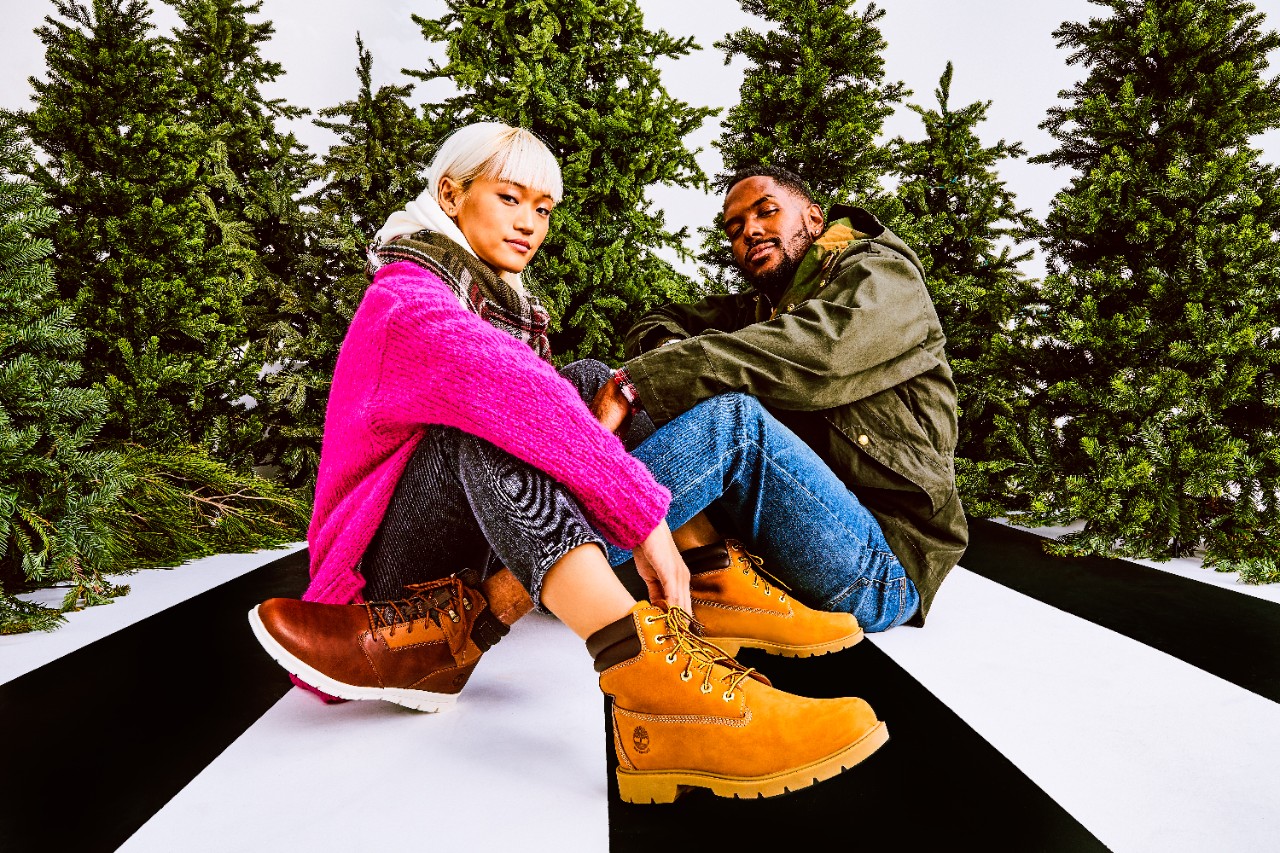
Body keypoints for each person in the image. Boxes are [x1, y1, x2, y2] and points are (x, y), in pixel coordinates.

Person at [247, 123, 887, 804]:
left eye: (543, 208)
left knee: (584, 379)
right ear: (451, 195)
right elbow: (515, 397)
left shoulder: (487, 301)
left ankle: (705, 579)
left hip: (459, 557)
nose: (529, 223)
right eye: (509, 198)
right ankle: (651, 683)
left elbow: (545, 398)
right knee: (498, 423)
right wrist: (645, 520)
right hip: (385, 589)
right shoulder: (407, 299)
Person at [593, 165, 969, 631]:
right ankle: (705, 574)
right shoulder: (759, 310)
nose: (749, 231)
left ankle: (550, 565)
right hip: (770, 545)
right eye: (734, 229)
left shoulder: (883, 276)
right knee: (590, 376)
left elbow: (824, 351)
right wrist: (669, 353)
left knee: (733, 423)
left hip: (882, 567)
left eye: (766, 211)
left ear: (814, 218)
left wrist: (641, 381)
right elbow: (657, 322)